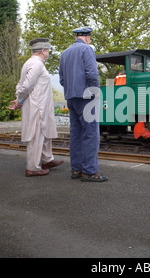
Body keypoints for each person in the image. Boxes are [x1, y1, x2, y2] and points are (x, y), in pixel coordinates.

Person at [8, 38, 63, 177]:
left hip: (39, 105)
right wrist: (19, 99)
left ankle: (47, 159)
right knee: (36, 135)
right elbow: (26, 86)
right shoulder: (37, 64)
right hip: (37, 107)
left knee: (44, 134)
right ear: (43, 51)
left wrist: (18, 100)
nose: (49, 53)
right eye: (48, 50)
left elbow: (21, 84)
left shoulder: (30, 63)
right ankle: (32, 168)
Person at [59, 27, 107, 182]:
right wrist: (96, 91)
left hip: (71, 97)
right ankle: (89, 171)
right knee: (91, 134)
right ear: (87, 37)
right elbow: (92, 73)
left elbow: (61, 78)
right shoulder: (87, 49)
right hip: (86, 97)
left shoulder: (65, 53)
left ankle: (76, 169)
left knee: (76, 134)